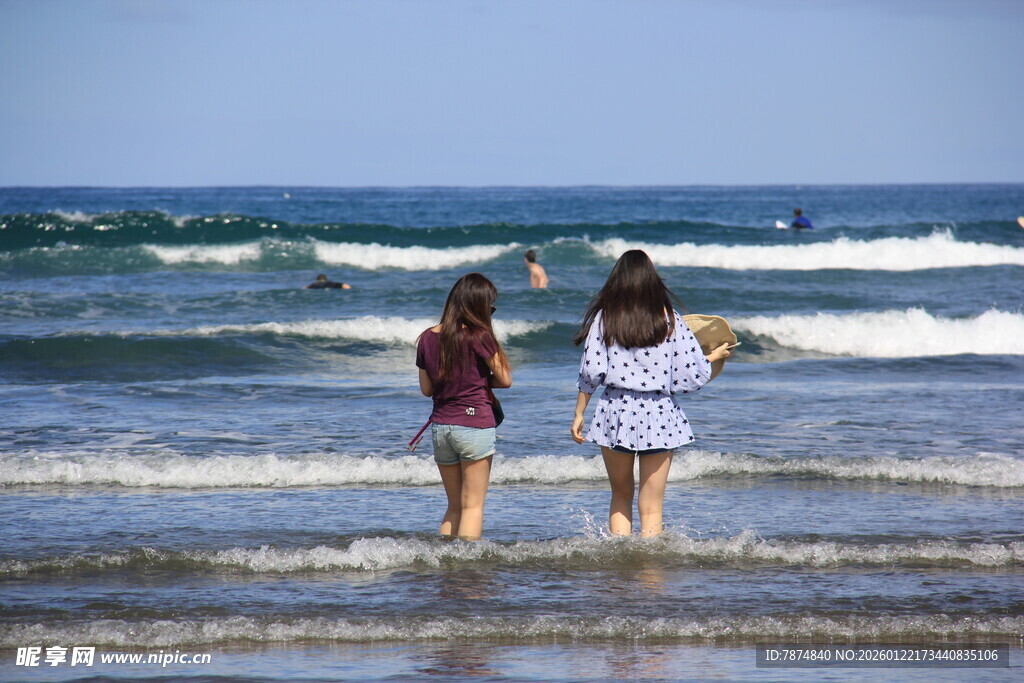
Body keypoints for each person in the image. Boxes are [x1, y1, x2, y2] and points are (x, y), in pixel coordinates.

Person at [570, 250, 732, 537]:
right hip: (659, 413)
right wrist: (713, 357)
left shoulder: (605, 318)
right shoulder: (669, 319)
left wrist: (579, 413)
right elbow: (689, 375)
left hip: (615, 411)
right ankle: (649, 574)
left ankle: (620, 569)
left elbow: (592, 371)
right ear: (652, 280)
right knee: (652, 505)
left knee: (620, 496)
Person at [416, 273, 512, 540]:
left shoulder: (426, 337)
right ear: (478, 306)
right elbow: (505, 380)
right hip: (474, 424)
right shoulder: (480, 336)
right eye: (489, 308)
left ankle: (447, 563)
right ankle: (467, 573)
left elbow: (427, 390)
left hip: (441, 427)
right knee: (473, 506)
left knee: (454, 506)